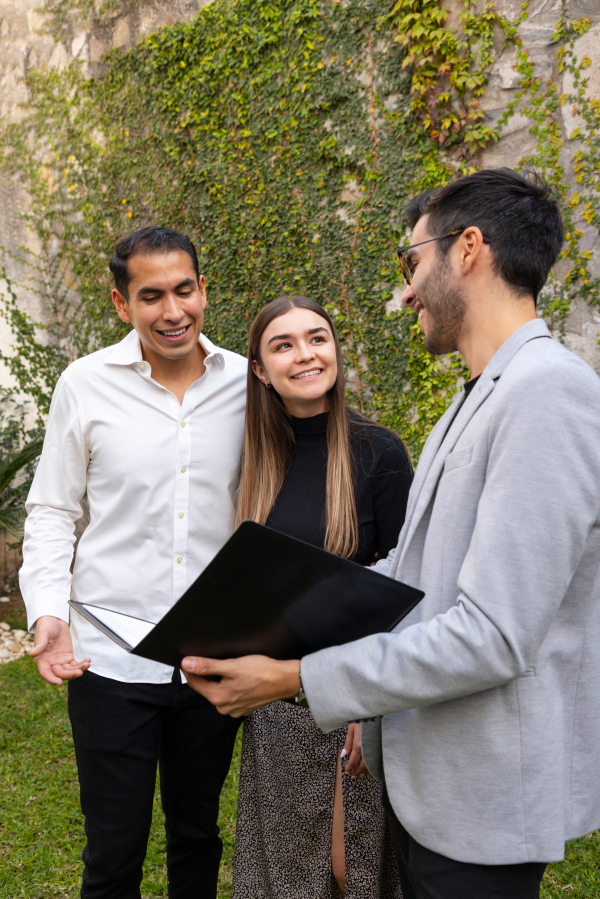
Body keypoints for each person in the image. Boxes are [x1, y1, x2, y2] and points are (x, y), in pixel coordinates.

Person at [180, 168, 600, 899]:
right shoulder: (477, 396)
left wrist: (295, 677)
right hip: (430, 787)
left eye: (413, 262)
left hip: (482, 804)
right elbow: (412, 579)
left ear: (467, 249)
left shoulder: (548, 392)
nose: (406, 290)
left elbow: (493, 634)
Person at [20, 227, 247, 899]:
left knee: (197, 837)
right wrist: (48, 612)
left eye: (184, 290)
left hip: (211, 656)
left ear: (204, 290)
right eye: (152, 296)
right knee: (114, 851)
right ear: (122, 304)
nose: (173, 311)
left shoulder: (246, 381)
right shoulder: (84, 384)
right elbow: (54, 510)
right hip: (109, 656)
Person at [231, 295, 412, 899]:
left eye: (318, 338)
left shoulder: (378, 452)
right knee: (285, 874)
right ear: (260, 369)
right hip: (274, 702)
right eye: (283, 345)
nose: (306, 355)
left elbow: (407, 590)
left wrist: (370, 703)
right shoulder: (254, 457)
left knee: (347, 870)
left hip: (351, 691)